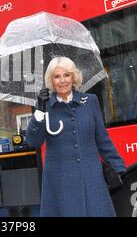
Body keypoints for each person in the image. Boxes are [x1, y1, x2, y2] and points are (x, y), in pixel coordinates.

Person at [26, 56, 126, 217]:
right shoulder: (44, 107)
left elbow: (102, 139)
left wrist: (118, 167)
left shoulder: (90, 101)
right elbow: (33, 142)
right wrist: (40, 110)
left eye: (66, 75)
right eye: (56, 77)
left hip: (91, 176)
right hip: (60, 180)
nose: (62, 81)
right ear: (51, 81)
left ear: (74, 77)